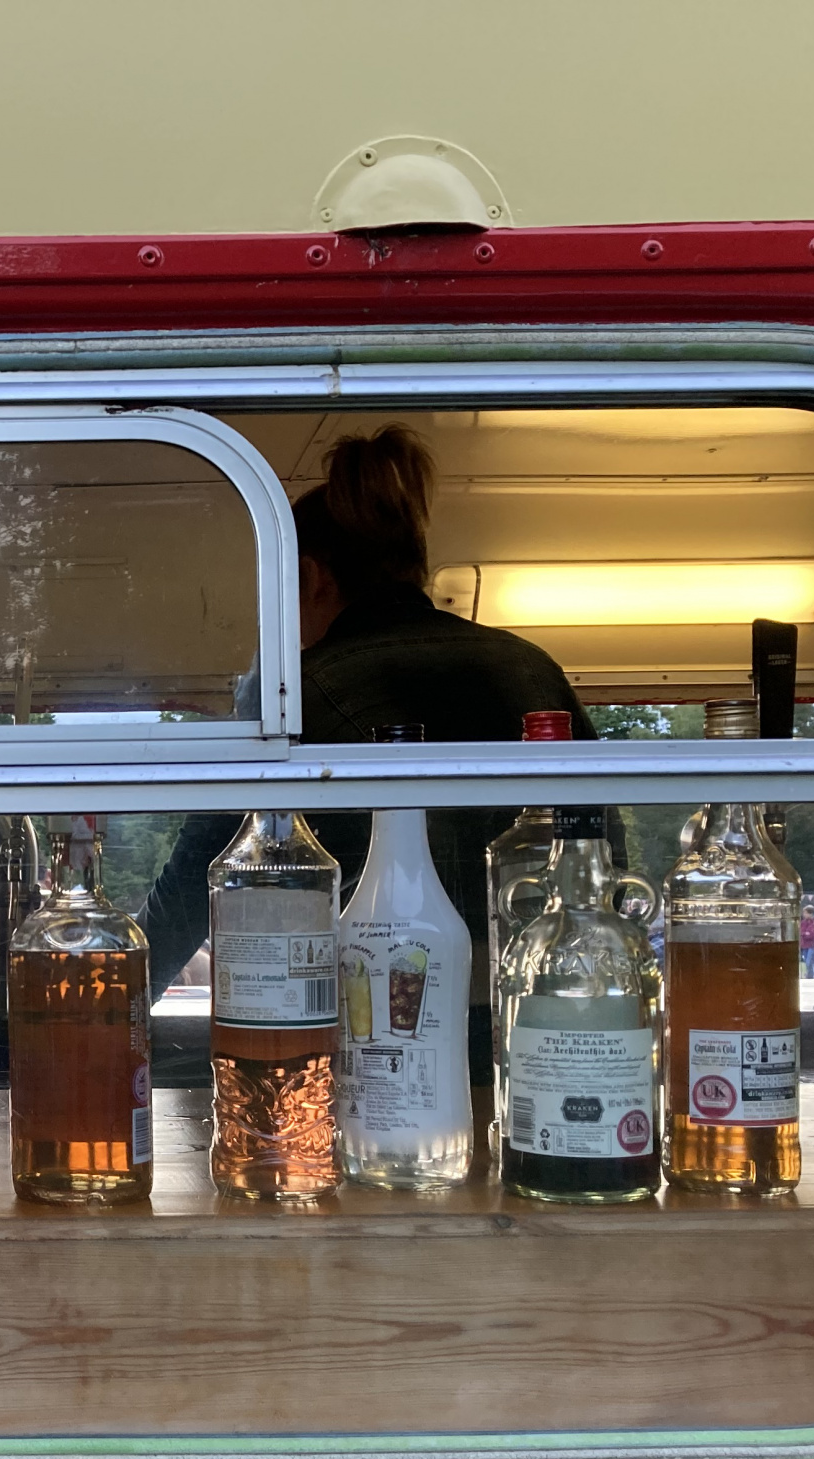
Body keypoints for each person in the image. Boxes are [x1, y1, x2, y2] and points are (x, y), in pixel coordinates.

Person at [136, 424, 595, 1077]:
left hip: (379, 1029)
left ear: (311, 577)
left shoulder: (299, 696)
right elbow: (596, 850)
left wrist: (113, 1008)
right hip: (546, 1028)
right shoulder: (530, 669)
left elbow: (198, 881)